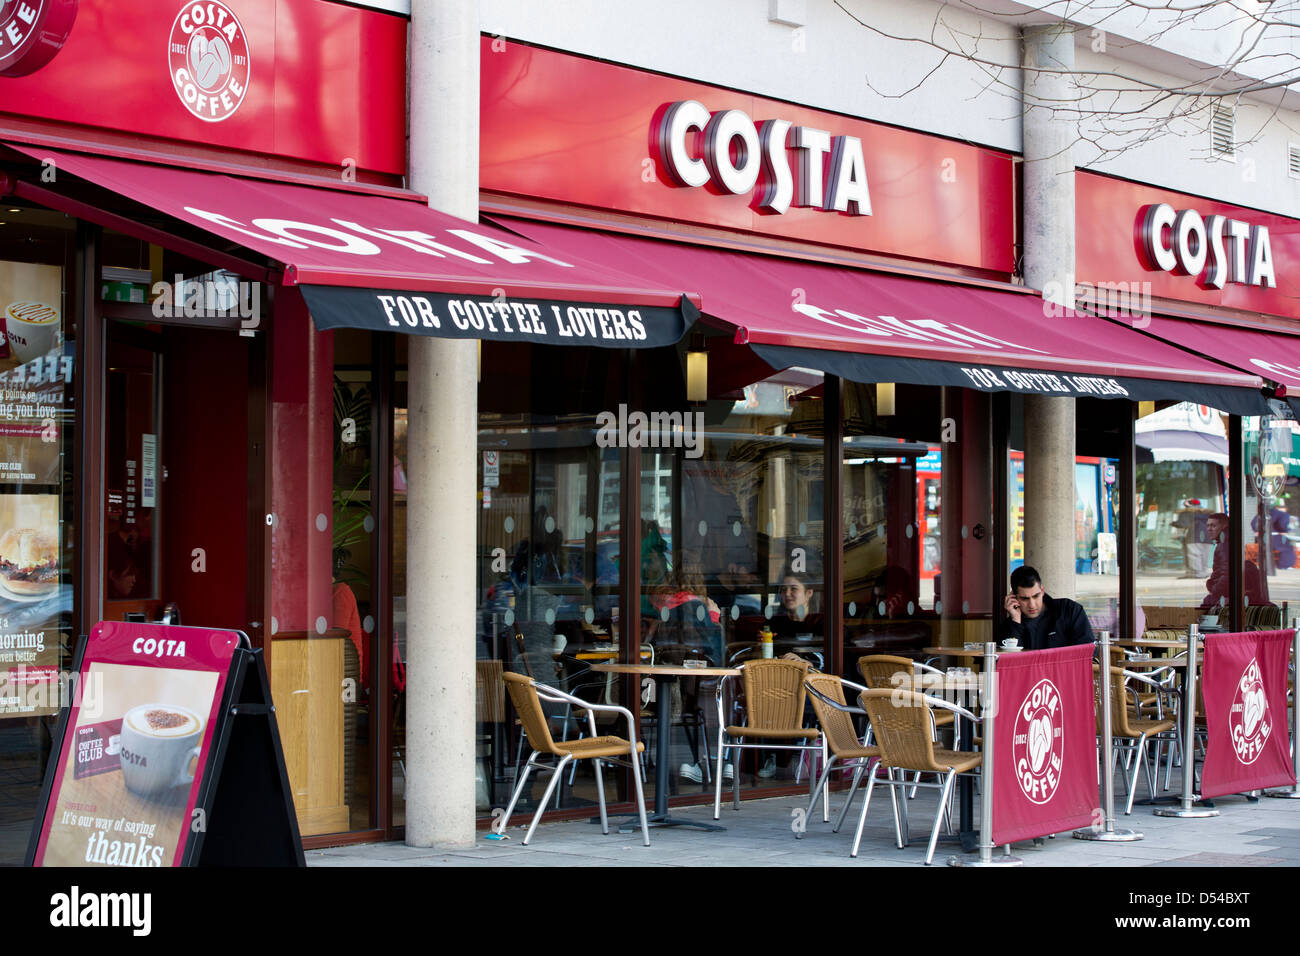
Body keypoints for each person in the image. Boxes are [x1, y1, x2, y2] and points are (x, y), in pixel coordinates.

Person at [1001, 565, 1095, 650]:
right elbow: (1010, 661)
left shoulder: (1068, 610)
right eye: (1025, 599)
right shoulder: (1010, 625)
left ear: (1042, 591)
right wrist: (1016, 622)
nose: (1032, 605)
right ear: (1014, 597)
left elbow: (1088, 651)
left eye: (1036, 596)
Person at [1200, 512, 1265, 611]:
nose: (1209, 529)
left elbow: (1227, 574)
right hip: (1234, 593)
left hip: (1227, 595)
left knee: (1206, 608)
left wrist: (1215, 590)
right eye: (1208, 525)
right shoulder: (1230, 540)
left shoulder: (1224, 545)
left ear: (1224, 526)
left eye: (1213, 526)